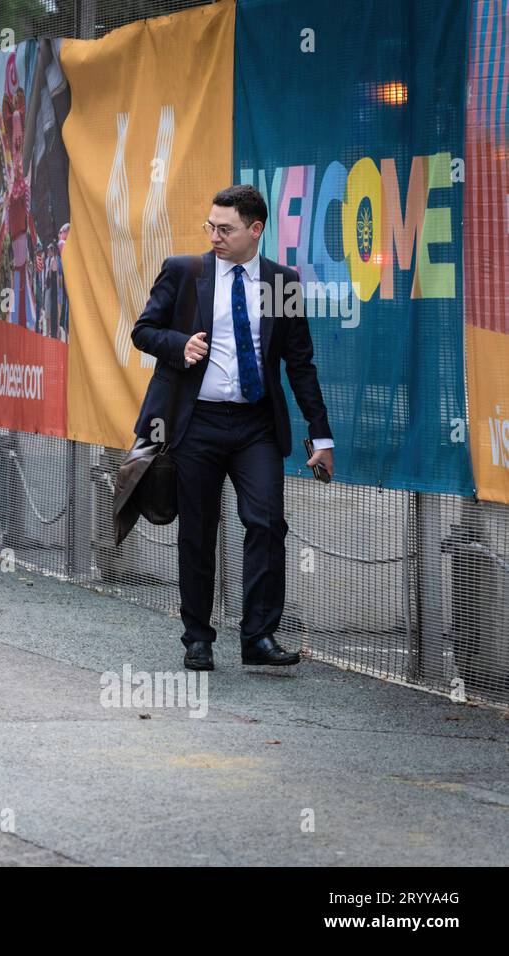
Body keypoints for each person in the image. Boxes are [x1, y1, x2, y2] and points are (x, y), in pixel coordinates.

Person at [131, 184, 334, 672]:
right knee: (198, 531)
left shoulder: (281, 283)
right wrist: (180, 345)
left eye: (226, 228)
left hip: (255, 426)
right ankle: (198, 637)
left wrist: (321, 435)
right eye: (211, 227)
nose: (215, 236)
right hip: (195, 424)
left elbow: (300, 364)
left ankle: (258, 636)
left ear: (255, 229)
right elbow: (143, 330)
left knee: (267, 522)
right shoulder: (186, 272)